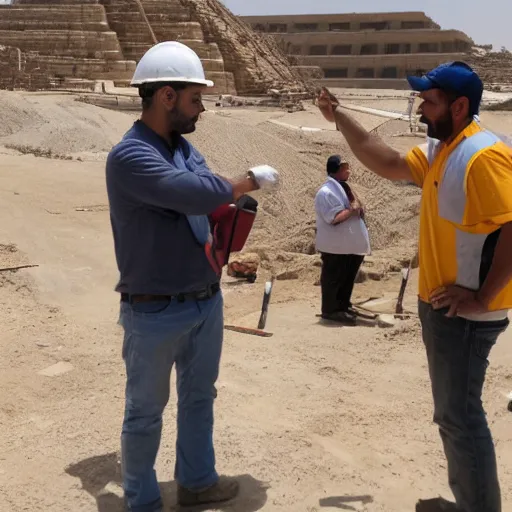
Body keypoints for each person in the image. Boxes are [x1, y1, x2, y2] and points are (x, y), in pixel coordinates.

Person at [317, 61, 512, 512]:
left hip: (467, 315)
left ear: (459, 106)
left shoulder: (482, 155)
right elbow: (383, 158)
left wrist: (482, 297)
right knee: (454, 417)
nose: (421, 108)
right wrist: (339, 115)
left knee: (460, 419)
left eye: (429, 100)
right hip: (446, 308)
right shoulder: (445, 149)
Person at [106, 41, 279, 512]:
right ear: (166, 96)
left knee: (200, 398)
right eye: (194, 98)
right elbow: (192, 192)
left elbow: (206, 188)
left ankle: (198, 482)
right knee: (144, 414)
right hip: (154, 310)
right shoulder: (130, 157)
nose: (201, 108)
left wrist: (222, 192)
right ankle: (141, 501)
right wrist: (245, 180)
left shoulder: (185, 149)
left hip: (204, 300)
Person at [314, 155, 370, 324]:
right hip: (335, 246)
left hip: (348, 245)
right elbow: (334, 217)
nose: (348, 171)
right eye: (345, 168)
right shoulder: (326, 193)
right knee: (334, 277)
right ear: (337, 170)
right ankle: (331, 310)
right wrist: (353, 210)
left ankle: (343, 305)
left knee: (347, 276)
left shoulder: (344, 187)